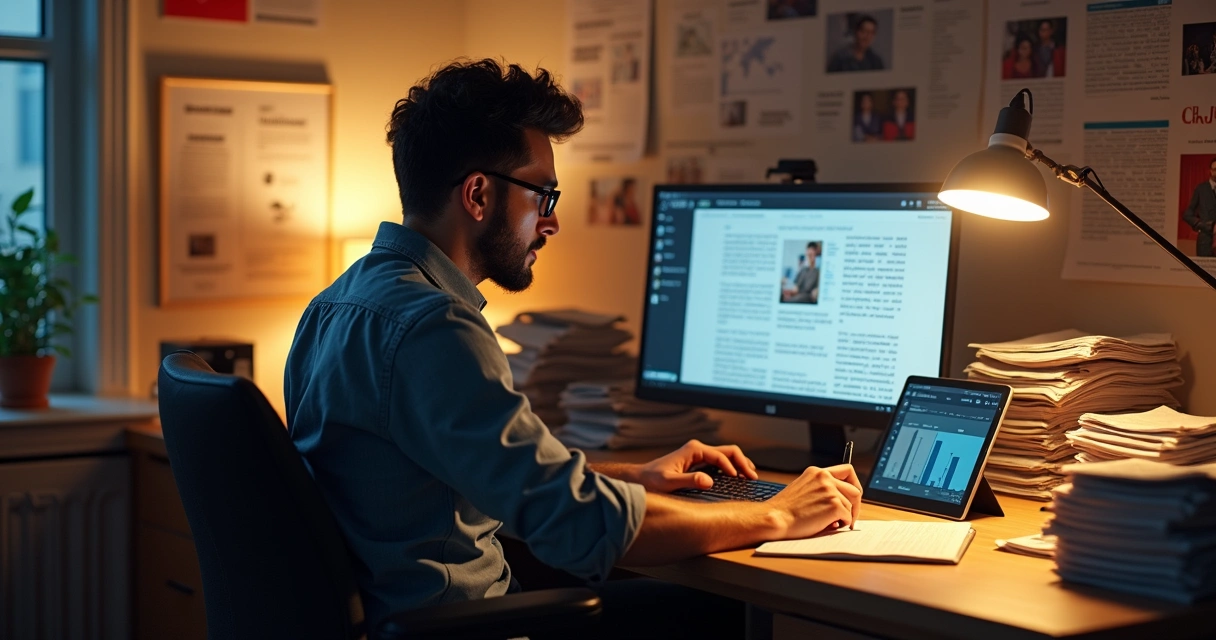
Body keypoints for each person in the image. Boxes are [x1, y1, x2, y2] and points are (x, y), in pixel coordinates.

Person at [283, 59, 863, 637]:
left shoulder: (336, 304)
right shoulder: (436, 328)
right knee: (723, 611)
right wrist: (778, 513)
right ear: (478, 195)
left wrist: (635, 476)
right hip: (463, 627)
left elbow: (485, 476)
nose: (551, 223)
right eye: (545, 195)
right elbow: (580, 527)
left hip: (402, 616)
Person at [1183, 158, 1216, 257]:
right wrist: (1206, 226)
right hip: (1205, 242)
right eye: (1215, 169)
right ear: (1210, 171)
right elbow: (1187, 215)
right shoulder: (1200, 189)